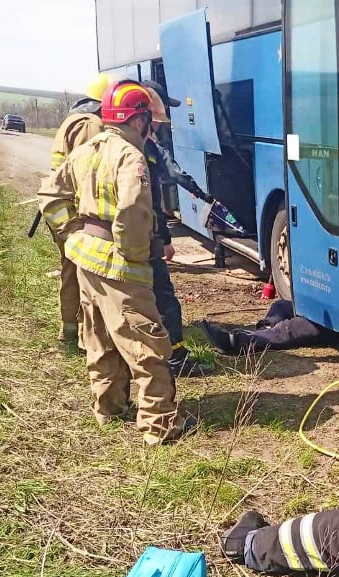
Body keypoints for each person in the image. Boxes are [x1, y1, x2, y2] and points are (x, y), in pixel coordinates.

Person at [38, 80, 193, 445]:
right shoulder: (130, 157)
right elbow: (133, 210)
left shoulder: (86, 150)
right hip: (119, 263)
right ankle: (159, 425)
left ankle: (108, 407)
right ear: (138, 121)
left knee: (101, 337)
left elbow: (49, 195)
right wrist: (136, 257)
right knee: (147, 342)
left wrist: (72, 234)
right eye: (149, 124)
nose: (151, 131)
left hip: (85, 258)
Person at [140, 81, 214, 377]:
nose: (159, 124)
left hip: (115, 246)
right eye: (156, 117)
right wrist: (164, 239)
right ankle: (175, 359)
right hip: (139, 241)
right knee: (165, 300)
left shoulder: (117, 145)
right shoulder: (142, 149)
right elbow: (151, 200)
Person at [47, 73, 109, 343]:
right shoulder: (91, 124)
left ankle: (70, 330)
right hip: (74, 211)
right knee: (83, 269)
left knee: (71, 267)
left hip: (63, 206)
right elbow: (90, 172)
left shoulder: (74, 118)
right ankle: (85, 333)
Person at [200, 299, 334, 355]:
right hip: (325, 307)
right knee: (280, 306)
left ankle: (240, 343)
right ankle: (265, 331)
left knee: (290, 328)